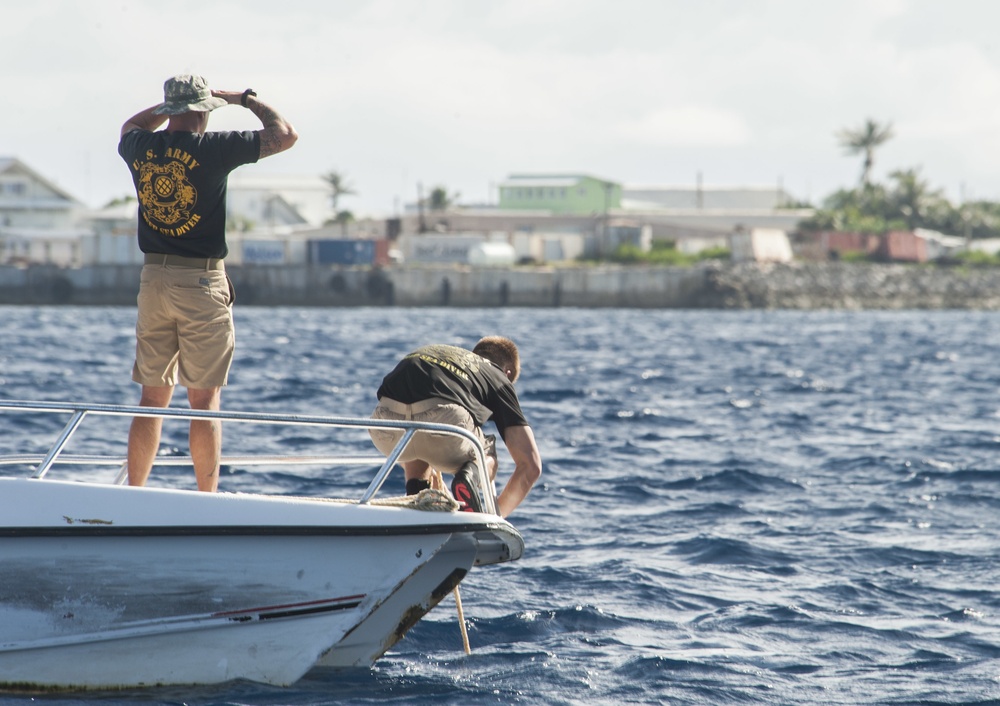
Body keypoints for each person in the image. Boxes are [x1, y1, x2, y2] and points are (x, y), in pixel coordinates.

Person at [118, 74, 298, 491]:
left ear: (168, 113)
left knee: (152, 400)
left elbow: (130, 127)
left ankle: (134, 494)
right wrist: (242, 98)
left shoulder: (141, 147)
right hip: (200, 282)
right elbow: (285, 135)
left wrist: (164, 109)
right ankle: (205, 498)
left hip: (153, 281)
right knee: (203, 403)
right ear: (203, 110)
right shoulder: (213, 149)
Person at [370, 336, 542, 517]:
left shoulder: (441, 353)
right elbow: (531, 465)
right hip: (443, 422)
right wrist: (495, 519)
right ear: (507, 373)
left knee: (416, 428)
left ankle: (418, 496)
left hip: (383, 426)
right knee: (486, 448)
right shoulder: (498, 376)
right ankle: (468, 478)